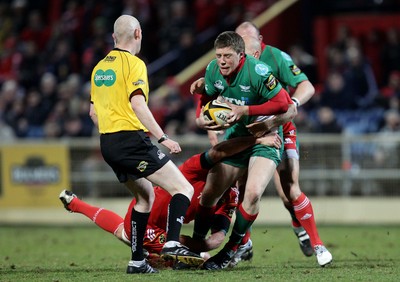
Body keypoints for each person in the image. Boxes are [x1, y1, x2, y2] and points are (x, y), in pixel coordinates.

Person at [85, 15, 202, 274]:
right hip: (130, 140)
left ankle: (137, 261)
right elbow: (138, 104)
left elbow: (93, 113)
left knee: (144, 197)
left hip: (108, 143)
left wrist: (113, 138)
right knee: (183, 188)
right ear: (137, 34)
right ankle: (172, 243)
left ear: (114, 37)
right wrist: (163, 138)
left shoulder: (99, 68)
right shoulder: (135, 64)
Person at [59, 133, 282, 268]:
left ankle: (76, 204)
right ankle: (154, 256)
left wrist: (222, 239)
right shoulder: (195, 170)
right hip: (147, 220)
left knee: (123, 232)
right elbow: (216, 152)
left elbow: (220, 229)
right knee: (129, 232)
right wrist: (257, 140)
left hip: (158, 223)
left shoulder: (231, 194)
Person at [190, 31, 295, 270]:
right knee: (209, 193)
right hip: (237, 137)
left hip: (265, 138)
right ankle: (195, 246)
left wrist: (245, 111)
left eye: (228, 56)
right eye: (218, 55)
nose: (222, 61)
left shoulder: (258, 71)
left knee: (253, 193)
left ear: (241, 55)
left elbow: (282, 103)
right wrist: (202, 118)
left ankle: (231, 249)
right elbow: (207, 94)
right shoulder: (213, 69)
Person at [236, 22, 332, 266]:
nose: (243, 45)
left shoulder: (276, 57)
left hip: (279, 126)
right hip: (248, 129)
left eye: (248, 39)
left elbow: (307, 86)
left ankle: (304, 232)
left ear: (259, 40)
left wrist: (294, 105)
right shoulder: (232, 60)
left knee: (288, 189)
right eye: (239, 39)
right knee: (241, 185)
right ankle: (242, 243)